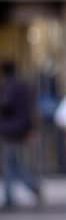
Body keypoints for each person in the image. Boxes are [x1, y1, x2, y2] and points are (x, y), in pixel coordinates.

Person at [0, 61, 42, 210]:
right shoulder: (26, 86)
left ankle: (11, 196)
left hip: (9, 130)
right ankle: (31, 186)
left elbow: (6, 105)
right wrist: (32, 128)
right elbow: (31, 109)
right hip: (22, 129)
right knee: (14, 163)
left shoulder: (7, 87)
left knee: (8, 164)